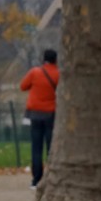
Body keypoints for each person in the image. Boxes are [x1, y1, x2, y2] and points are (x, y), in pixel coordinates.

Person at [20, 48, 59, 187]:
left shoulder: (35, 72)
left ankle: (36, 179)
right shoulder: (58, 74)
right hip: (51, 114)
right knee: (51, 147)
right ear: (56, 59)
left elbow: (23, 86)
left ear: (44, 59)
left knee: (36, 147)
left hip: (35, 113)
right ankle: (52, 177)